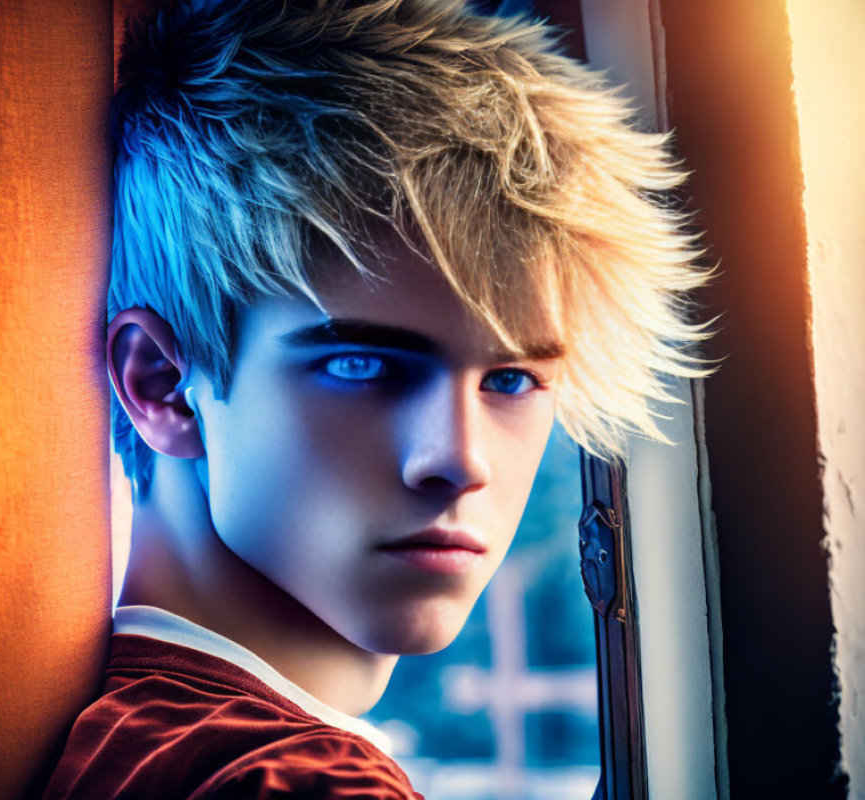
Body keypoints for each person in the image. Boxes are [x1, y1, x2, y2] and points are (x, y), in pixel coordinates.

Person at [43, 0, 711, 796]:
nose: (459, 461)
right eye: (363, 366)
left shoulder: (133, 736)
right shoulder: (297, 782)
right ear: (163, 388)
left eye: (512, 380)